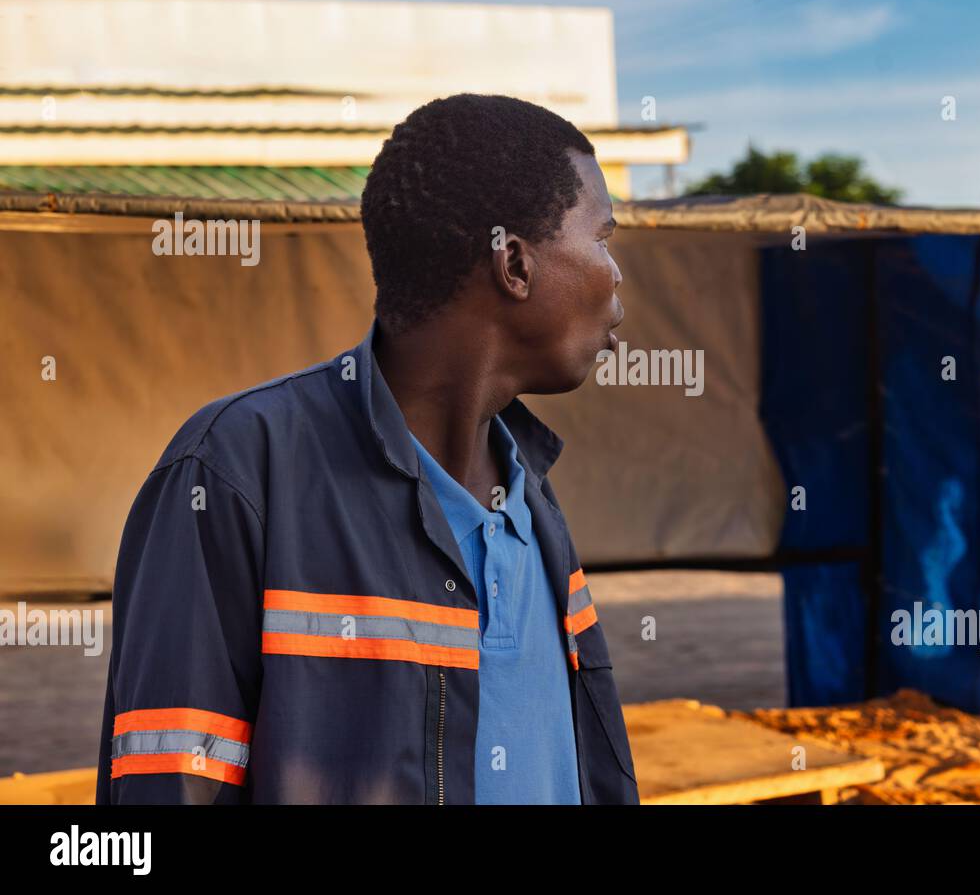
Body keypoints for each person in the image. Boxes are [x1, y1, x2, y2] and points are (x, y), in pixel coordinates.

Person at [96, 94, 638, 804]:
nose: (617, 276)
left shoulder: (530, 494)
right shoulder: (233, 474)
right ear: (514, 263)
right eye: (604, 238)